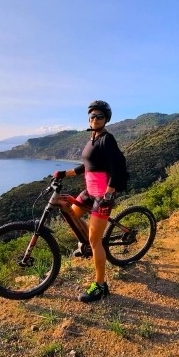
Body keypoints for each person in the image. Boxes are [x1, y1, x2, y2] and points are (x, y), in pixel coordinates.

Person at [53, 100, 129, 302]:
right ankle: (87, 241)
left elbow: (118, 168)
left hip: (103, 195)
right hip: (89, 191)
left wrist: (109, 194)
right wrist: (64, 173)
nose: (95, 119)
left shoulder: (107, 139)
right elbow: (86, 165)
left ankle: (101, 286)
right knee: (70, 213)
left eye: (99, 116)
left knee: (96, 242)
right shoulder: (92, 138)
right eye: (92, 116)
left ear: (106, 119)